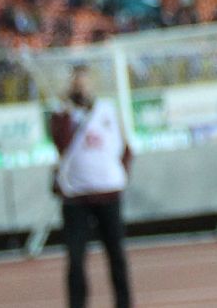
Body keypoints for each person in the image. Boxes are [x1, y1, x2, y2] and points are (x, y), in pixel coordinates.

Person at [49, 64, 133, 308]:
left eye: (84, 81)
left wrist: (120, 175)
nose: (81, 86)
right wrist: (68, 111)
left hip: (108, 193)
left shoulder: (107, 109)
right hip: (76, 196)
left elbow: (126, 147)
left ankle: (124, 303)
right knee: (76, 259)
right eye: (76, 82)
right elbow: (60, 143)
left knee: (116, 254)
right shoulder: (61, 114)